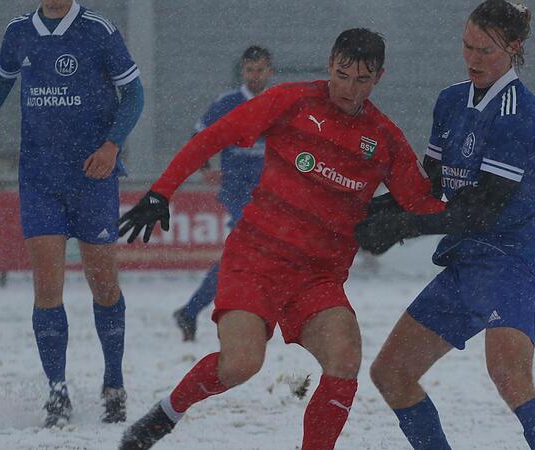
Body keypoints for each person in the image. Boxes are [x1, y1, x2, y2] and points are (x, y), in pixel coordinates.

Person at [116, 28, 445, 450]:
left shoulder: (383, 138)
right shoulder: (293, 101)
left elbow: (421, 202)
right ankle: (166, 414)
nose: (349, 88)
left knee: (345, 359)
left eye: (361, 79)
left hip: (318, 279)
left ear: (378, 77)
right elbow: (213, 137)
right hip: (255, 260)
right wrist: (161, 192)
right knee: (241, 365)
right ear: (330, 64)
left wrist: (468, 192)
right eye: (342, 74)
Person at [355, 1, 535, 449]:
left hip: (511, 261)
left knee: (509, 375)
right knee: (391, 374)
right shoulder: (450, 100)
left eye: (485, 51)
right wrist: (366, 213)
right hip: (467, 260)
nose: (472, 59)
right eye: (467, 46)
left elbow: (481, 209)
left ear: (514, 48)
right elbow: (426, 186)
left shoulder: (517, 112)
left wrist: (402, 228)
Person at [0, 0, 143, 427]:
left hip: (92, 176)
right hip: (40, 177)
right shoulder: (19, 31)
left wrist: (112, 144)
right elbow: (0, 82)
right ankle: (57, 392)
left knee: (104, 286)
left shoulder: (99, 30)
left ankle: (113, 381)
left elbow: (134, 92)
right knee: (46, 288)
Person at [172, 46, 274, 342]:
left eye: (260, 70)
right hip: (239, 191)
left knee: (245, 258)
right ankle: (227, 314)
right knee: (250, 253)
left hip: (272, 194)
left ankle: (191, 312)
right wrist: (205, 167)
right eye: (250, 70)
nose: (255, 76)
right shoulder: (227, 103)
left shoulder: (278, 102)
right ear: (243, 72)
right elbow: (199, 137)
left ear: (270, 71)